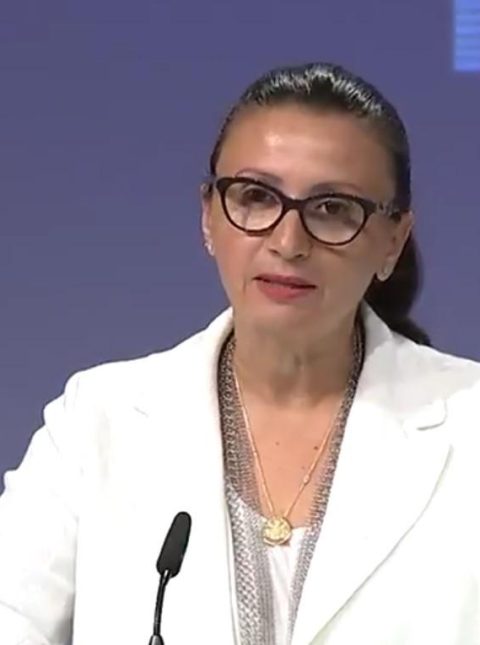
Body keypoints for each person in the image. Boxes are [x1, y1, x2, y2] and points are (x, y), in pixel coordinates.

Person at [1, 61, 480, 645]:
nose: (288, 242)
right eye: (256, 197)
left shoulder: (470, 423)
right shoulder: (96, 421)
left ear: (392, 240)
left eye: (333, 208)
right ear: (209, 216)